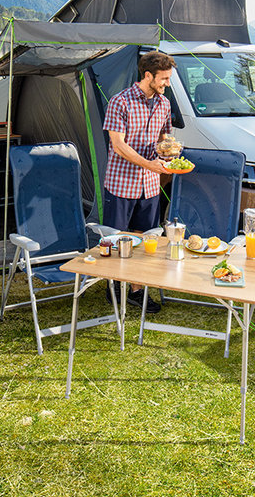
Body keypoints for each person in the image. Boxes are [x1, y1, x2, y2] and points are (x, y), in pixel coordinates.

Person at [102, 50, 176, 312]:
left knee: (146, 240)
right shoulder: (120, 102)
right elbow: (119, 145)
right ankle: (113, 288)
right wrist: (149, 164)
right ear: (148, 75)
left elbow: (163, 139)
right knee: (116, 239)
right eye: (164, 78)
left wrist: (169, 150)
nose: (167, 83)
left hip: (150, 184)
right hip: (122, 183)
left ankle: (136, 291)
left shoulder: (164, 104)